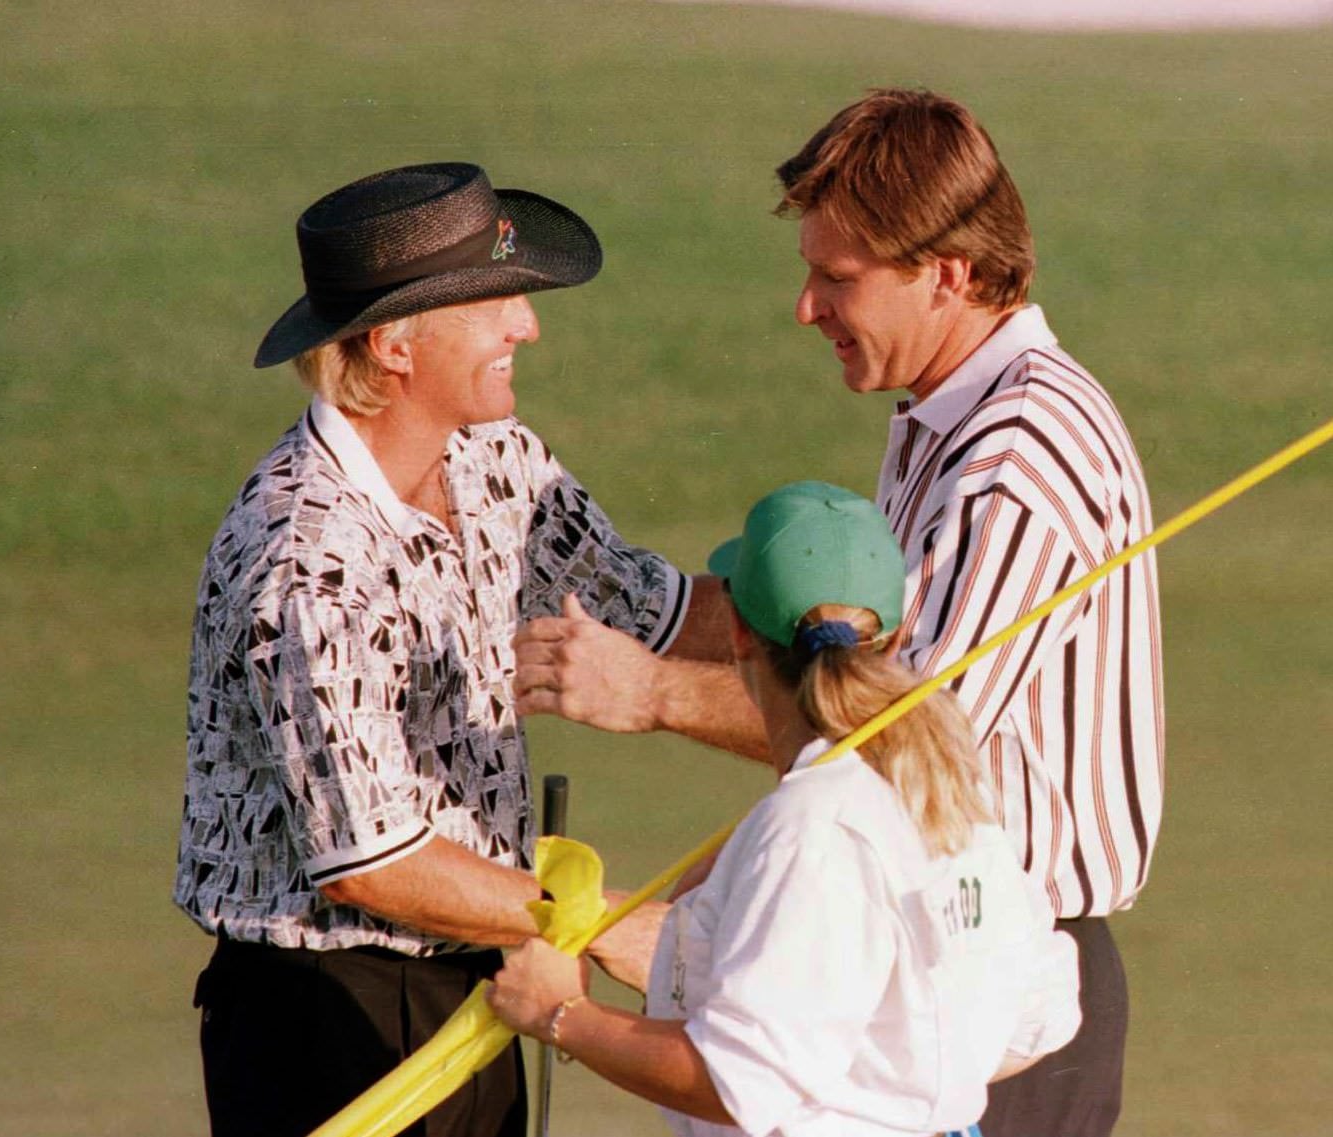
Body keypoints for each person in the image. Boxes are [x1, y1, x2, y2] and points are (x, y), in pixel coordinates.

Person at [513, 90, 1165, 1137]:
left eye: (838, 278)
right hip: (935, 960)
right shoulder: (949, 414)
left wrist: (648, 693)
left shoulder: (1015, 459)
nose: (807, 307)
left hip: (998, 990)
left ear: (947, 274)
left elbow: (904, 734)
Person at [173, 162, 718, 1137]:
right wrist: (602, 922)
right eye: (493, 301)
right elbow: (369, 862)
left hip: (477, 975)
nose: (527, 325)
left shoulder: (497, 460)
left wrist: (846, 635)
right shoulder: (308, 558)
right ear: (394, 345)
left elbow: (660, 613)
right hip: (329, 1022)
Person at [488, 480, 1082, 1137]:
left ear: (737, 631)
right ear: (895, 633)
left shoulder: (813, 825)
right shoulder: (948, 786)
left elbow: (740, 1081)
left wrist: (556, 1010)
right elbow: (1034, 1014)